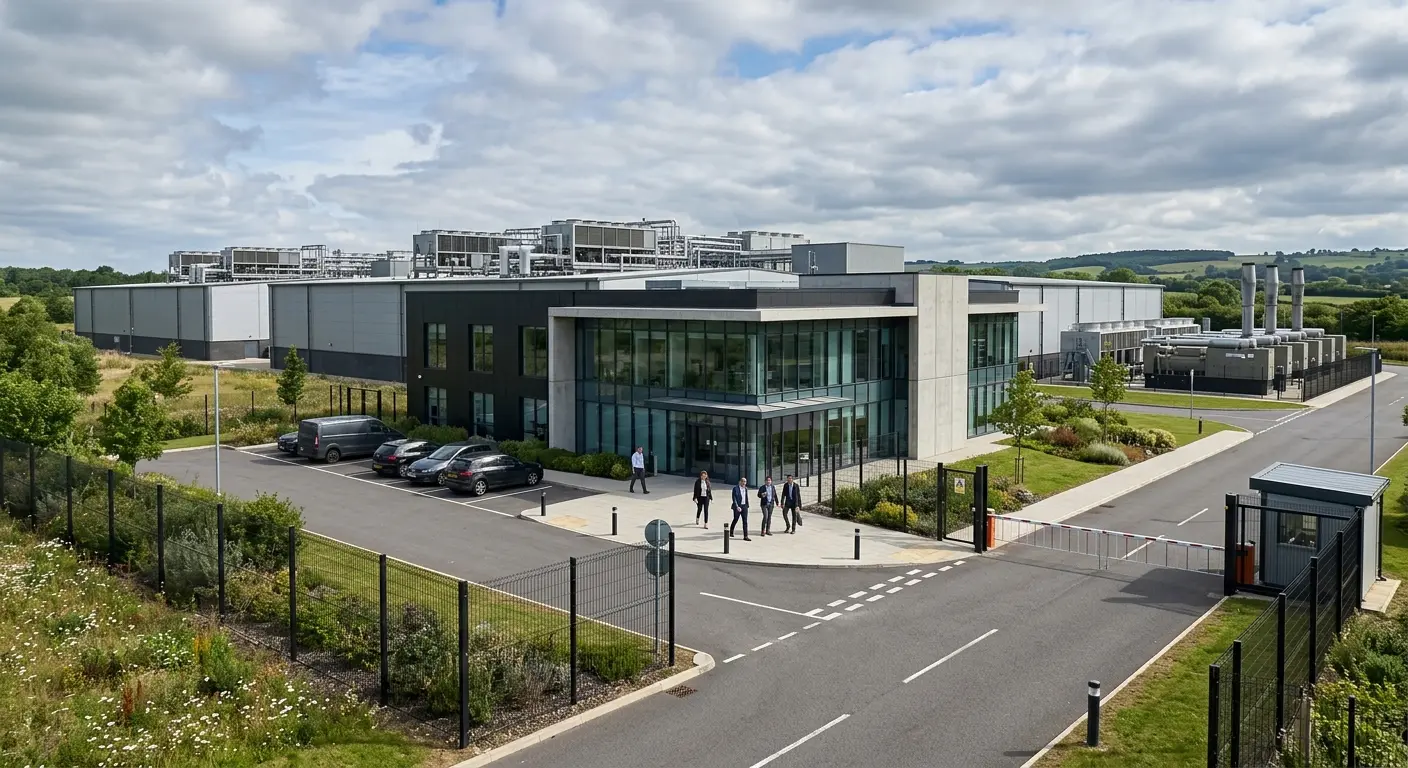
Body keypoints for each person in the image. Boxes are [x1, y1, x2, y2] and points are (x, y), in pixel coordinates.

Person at [730, 477, 751, 541]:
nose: (744, 483)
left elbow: (746, 497)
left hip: (744, 506)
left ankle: (745, 536)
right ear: (740, 482)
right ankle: (731, 531)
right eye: (743, 481)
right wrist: (737, 506)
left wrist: (747, 505)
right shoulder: (735, 488)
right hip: (738, 506)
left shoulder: (746, 489)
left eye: (745, 482)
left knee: (745, 521)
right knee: (736, 519)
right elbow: (734, 498)